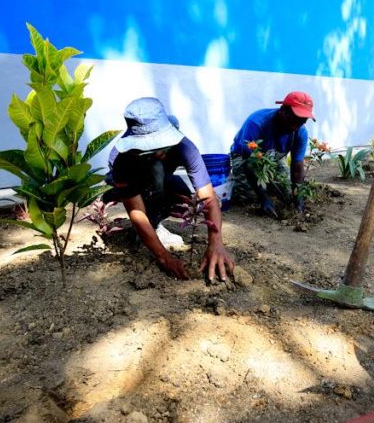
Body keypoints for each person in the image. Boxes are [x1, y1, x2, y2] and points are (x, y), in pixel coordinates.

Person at [103, 97, 235, 281]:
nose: (159, 153)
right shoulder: (121, 160)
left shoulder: (185, 148)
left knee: (179, 190)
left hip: (161, 180)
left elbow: (208, 197)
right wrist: (164, 257)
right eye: (149, 150)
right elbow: (136, 211)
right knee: (155, 174)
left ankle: (155, 220)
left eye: (163, 146)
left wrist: (216, 243)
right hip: (133, 182)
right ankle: (150, 228)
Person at [230, 91, 315, 219]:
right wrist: (264, 198)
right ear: (283, 110)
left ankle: (267, 185)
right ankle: (236, 181)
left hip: (273, 158)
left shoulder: (300, 132)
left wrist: (299, 198)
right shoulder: (257, 122)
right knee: (248, 198)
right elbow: (249, 164)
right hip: (245, 157)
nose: (296, 126)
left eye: (302, 121)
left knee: (286, 194)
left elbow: (297, 168)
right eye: (294, 119)